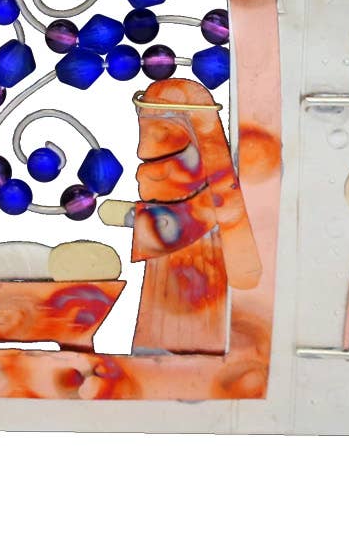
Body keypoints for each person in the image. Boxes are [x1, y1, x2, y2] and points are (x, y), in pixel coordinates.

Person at [98, 77, 259, 354]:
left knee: (185, 322)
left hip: (197, 269)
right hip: (166, 273)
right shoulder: (164, 170)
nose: (143, 148)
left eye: (160, 132)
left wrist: (132, 216)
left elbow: (188, 221)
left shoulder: (210, 186)